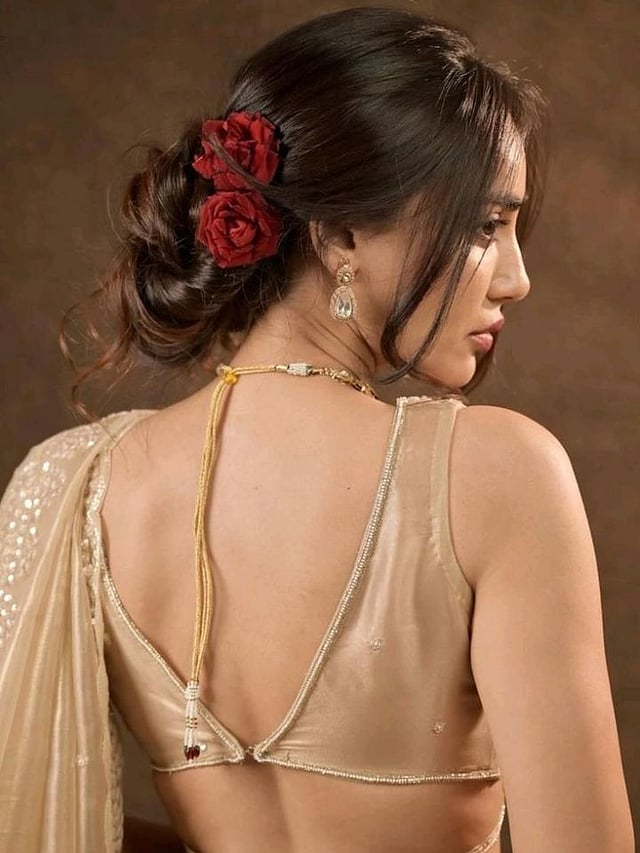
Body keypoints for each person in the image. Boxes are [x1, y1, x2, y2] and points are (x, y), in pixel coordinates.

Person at [0, 6, 634, 852]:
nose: (515, 278)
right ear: (338, 234)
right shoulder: (495, 475)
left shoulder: (77, 484)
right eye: (486, 226)